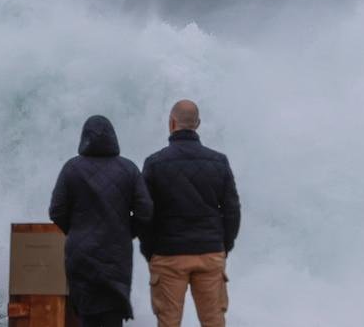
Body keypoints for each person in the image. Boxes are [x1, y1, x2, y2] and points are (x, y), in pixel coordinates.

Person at [141, 100, 240, 327]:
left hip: (168, 254)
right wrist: (223, 245)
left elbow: (144, 213)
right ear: (198, 124)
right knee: (214, 320)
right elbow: (232, 210)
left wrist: (151, 250)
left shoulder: (155, 163)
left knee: (168, 321)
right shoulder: (219, 161)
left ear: (171, 123)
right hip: (210, 252)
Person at [50, 115, 154, 327]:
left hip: (80, 254)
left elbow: (56, 211)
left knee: (87, 313)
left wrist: (76, 231)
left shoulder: (72, 168)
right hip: (116, 253)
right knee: (112, 311)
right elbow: (145, 211)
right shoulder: (129, 169)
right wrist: (127, 232)